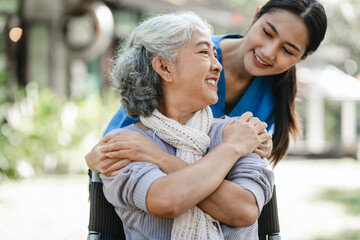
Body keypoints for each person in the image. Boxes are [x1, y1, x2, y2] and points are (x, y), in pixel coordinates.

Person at [85, 0, 327, 176]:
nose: (268, 52)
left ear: (304, 56)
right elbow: (107, 149)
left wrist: (260, 146)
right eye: (267, 33)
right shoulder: (186, 54)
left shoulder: (276, 93)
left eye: (288, 50)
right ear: (254, 18)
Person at [99, 11, 274, 239]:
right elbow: (167, 200)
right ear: (164, 68)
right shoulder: (127, 145)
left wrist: (159, 158)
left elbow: (243, 210)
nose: (218, 66)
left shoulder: (241, 131)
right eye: (204, 52)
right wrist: (231, 150)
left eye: (215, 54)